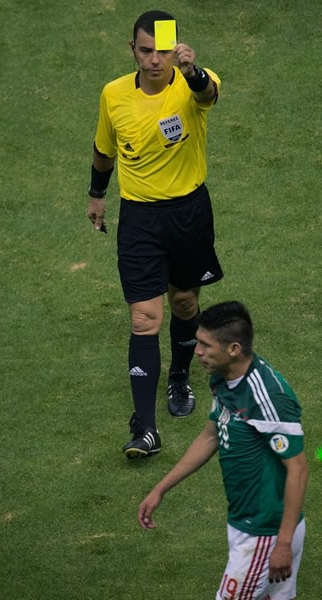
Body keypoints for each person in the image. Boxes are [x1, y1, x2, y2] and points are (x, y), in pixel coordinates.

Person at [86, 10, 223, 459]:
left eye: (162, 50)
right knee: (144, 319)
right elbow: (104, 150)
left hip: (188, 215)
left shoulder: (189, 82)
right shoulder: (114, 95)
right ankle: (145, 427)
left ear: (175, 49)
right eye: (146, 51)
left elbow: (210, 93)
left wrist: (193, 70)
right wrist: (96, 195)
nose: (154, 60)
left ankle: (180, 375)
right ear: (133, 51)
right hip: (140, 220)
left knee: (184, 302)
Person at [138, 301, 309, 600]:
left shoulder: (268, 396)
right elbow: (210, 436)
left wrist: (282, 543)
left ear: (233, 349)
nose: (197, 351)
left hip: (264, 531)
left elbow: (298, 468)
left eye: (205, 345)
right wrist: (160, 488)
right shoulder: (224, 377)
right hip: (247, 521)